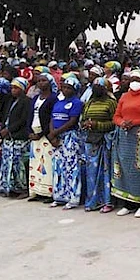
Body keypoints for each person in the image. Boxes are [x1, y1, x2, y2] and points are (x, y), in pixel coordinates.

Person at [112, 69, 140, 217]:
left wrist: (135, 122)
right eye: (132, 79)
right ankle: (128, 203)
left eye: (137, 79)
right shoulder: (124, 96)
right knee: (125, 168)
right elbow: (117, 115)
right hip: (125, 137)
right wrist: (122, 122)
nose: (134, 82)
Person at [81, 77, 118, 212]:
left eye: (100, 86)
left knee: (105, 172)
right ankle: (92, 201)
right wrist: (85, 124)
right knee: (91, 173)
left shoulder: (111, 102)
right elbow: (83, 118)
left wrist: (98, 125)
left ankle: (106, 201)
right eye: (95, 86)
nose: (97, 88)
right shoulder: (89, 102)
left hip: (104, 141)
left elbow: (115, 122)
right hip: (91, 141)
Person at [49, 76, 84, 209]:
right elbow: (52, 118)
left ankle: (73, 198)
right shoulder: (58, 102)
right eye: (64, 87)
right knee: (58, 166)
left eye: (69, 88)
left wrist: (56, 133)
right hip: (56, 137)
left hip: (70, 137)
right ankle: (59, 196)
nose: (65, 90)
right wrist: (52, 134)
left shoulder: (76, 102)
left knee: (71, 167)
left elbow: (72, 121)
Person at [0, 77, 31, 198]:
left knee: (19, 165)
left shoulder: (26, 101)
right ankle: (9, 186)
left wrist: (9, 129)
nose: (13, 90)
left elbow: (23, 120)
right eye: (12, 88)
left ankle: (21, 188)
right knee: (8, 163)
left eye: (16, 88)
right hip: (9, 138)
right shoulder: (11, 101)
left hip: (19, 137)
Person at [28, 74, 58, 202]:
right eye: (39, 81)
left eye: (44, 81)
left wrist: (41, 133)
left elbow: (50, 118)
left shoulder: (53, 99)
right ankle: (36, 191)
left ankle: (48, 192)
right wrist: (29, 131)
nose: (41, 83)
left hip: (45, 135)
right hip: (34, 135)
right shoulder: (35, 98)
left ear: (50, 83)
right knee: (35, 164)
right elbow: (30, 116)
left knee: (47, 164)